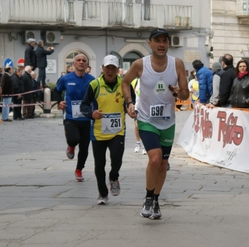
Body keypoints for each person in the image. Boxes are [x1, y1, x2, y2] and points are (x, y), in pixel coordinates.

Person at [121, 28, 189, 219]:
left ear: (168, 44)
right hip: (146, 120)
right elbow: (125, 82)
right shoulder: (139, 64)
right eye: (157, 41)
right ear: (149, 43)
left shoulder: (177, 64)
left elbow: (185, 93)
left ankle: (156, 199)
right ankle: (148, 198)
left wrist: (178, 92)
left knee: (163, 163)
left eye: (165, 41)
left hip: (168, 121)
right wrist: (129, 103)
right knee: (155, 159)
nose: (161, 44)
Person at [80, 55, 128, 205]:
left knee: (117, 159)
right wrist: (91, 114)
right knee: (99, 165)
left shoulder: (125, 84)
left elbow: (131, 101)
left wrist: (131, 109)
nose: (110, 71)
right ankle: (102, 192)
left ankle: (114, 177)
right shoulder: (94, 85)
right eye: (108, 67)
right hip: (98, 132)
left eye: (113, 68)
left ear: (118, 69)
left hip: (117, 131)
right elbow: (84, 105)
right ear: (102, 68)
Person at [54, 54, 95, 182]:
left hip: (87, 118)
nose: (81, 62)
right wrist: (59, 101)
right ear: (73, 64)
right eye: (78, 60)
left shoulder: (92, 80)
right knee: (73, 139)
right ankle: (71, 145)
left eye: (84, 61)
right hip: (70, 116)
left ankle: (79, 169)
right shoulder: (65, 79)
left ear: (87, 65)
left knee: (84, 147)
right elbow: (56, 91)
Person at [132, 78, 147, 155]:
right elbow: (131, 93)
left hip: (147, 108)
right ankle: (138, 143)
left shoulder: (149, 80)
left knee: (145, 127)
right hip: (137, 107)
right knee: (137, 126)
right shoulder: (135, 81)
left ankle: (145, 145)